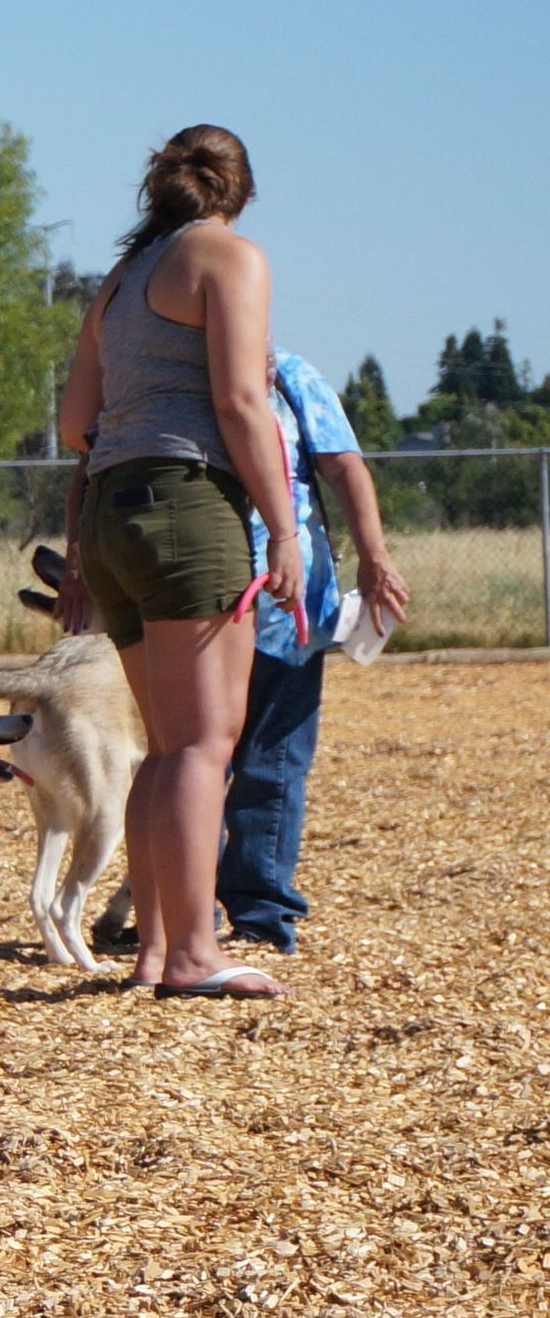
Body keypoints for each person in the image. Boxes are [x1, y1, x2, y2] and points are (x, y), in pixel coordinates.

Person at [50, 125, 303, 1000]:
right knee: (204, 745)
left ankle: (157, 951)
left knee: (166, 749)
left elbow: (73, 426)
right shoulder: (228, 257)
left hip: (113, 516)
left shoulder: (118, 282)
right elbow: (238, 402)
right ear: (238, 192)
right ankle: (194, 956)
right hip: (189, 506)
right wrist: (284, 529)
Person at [216, 349, 410, 951]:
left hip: (288, 605)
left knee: (269, 761)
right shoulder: (185, 374)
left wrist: (375, 555)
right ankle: (185, 909)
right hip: (204, 591)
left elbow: (346, 467)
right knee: (191, 759)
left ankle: (257, 910)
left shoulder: (294, 377)